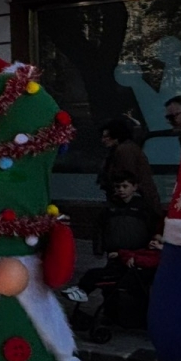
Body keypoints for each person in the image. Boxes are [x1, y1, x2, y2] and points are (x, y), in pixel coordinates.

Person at [64, 171, 162, 320]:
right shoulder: (109, 208)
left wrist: (151, 247)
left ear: (134, 187)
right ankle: (111, 313)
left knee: (131, 284)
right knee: (110, 285)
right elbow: (100, 230)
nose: (121, 190)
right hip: (115, 252)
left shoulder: (143, 208)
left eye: (125, 186)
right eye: (118, 187)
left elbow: (152, 229)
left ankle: (137, 315)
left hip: (137, 253)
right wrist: (99, 249)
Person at [98, 116, 161, 215]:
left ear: (116, 135)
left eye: (107, 136)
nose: (103, 140)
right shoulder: (127, 148)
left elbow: (126, 177)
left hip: (133, 207)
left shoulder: (124, 150)